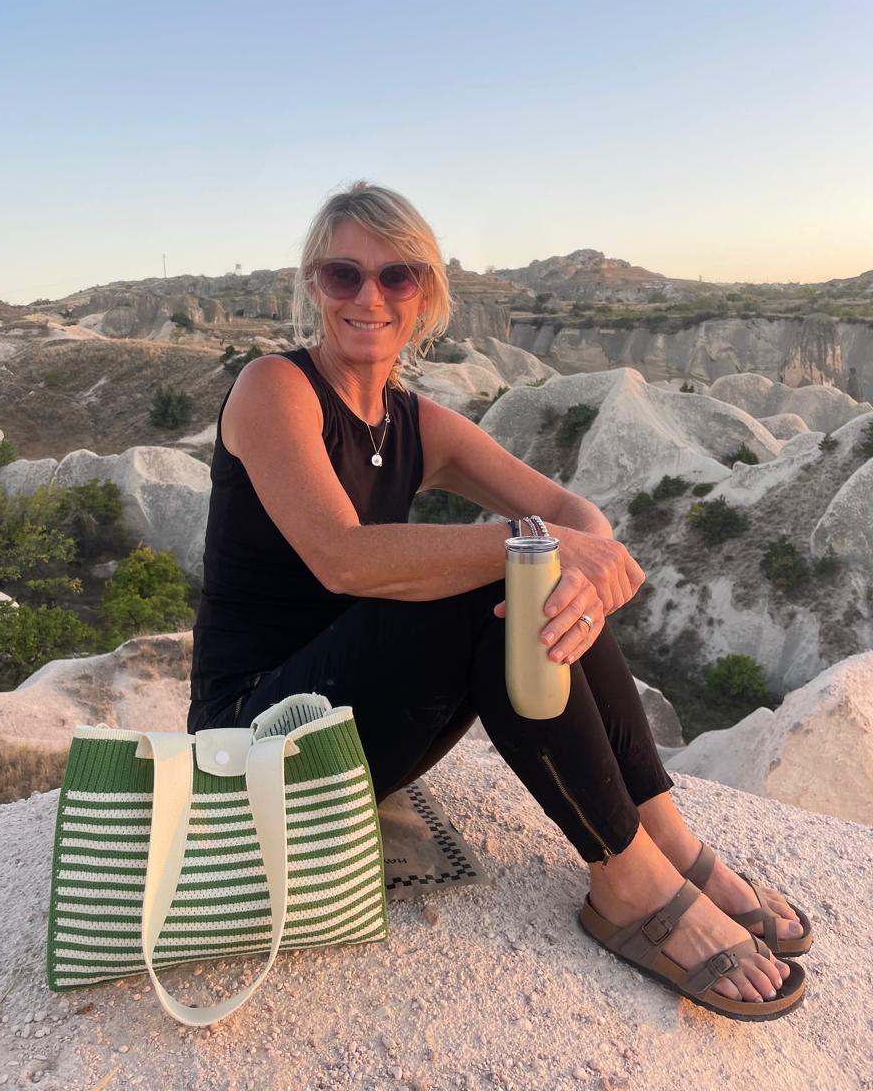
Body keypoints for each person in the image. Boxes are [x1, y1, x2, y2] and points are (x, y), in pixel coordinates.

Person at [187, 181, 810, 1021]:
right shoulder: (276, 387)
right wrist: (545, 553)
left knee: (536, 574)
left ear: (427, 296)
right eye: (343, 275)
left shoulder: (414, 422)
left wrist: (581, 569)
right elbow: (343, 559)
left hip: (346, 730)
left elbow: (573, 514)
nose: (369, 297)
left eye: (397, 277)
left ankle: (663, 836)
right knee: (507, 574)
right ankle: (627, 883)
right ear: (312, 286)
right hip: (250, 738)